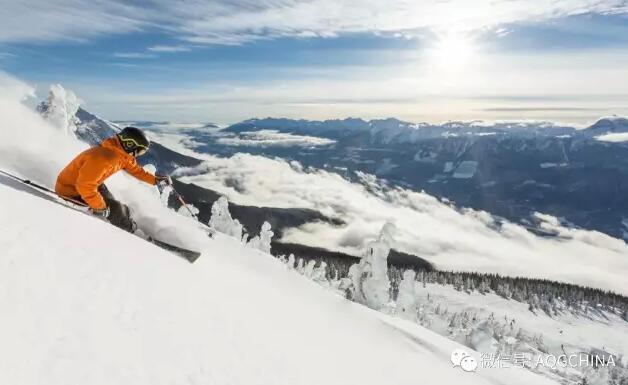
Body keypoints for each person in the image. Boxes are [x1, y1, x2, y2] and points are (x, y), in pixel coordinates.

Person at [55, 126, 171, 232]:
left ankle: (125, 216)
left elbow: (136, 170)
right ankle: (131, 232)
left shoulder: (121, 155)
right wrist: (99, 207)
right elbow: (84, 185)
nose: (139, 155)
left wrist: (155, 180)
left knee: (113, 203)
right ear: (129, 144)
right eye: (140, 151)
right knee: (115, 209)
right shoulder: (104, 157)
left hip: (92, 184)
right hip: (71, 190)